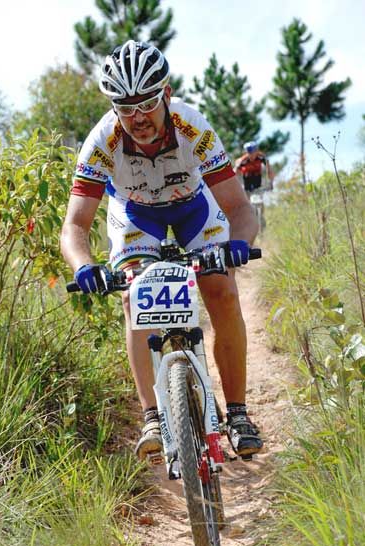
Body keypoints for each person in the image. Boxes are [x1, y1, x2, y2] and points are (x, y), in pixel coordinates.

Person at [60, 40, 263, 461]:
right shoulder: (103, 140)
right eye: (125, 106)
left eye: (147, 103)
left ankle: (239, 413)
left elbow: (240, 209)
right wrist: (84, 267)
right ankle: (152, 415)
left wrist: (238, 246)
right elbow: (75, 226)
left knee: (221, 289)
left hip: (194, 209)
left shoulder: (194, 127)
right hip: (138, 216)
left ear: (166, 95)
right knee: (135, 297)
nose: (137, 118)